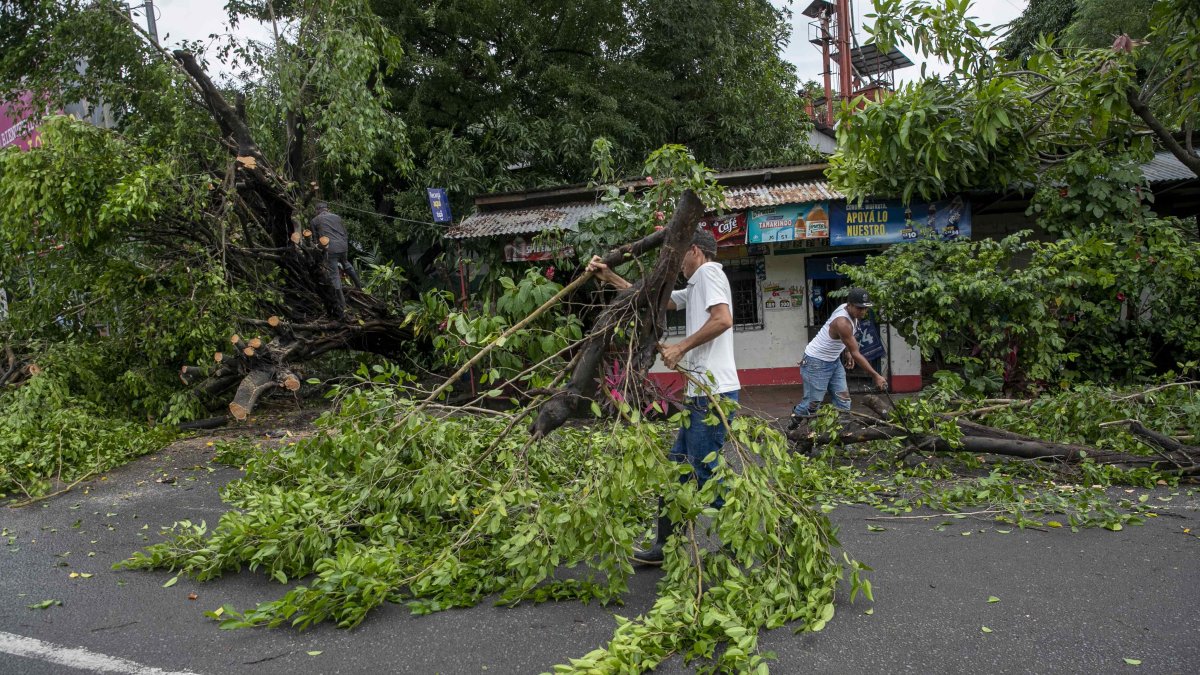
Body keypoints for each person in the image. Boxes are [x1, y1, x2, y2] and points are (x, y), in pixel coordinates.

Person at [588, 228, 740, 566]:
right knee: (677, 471)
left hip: (713, 394)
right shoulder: (697, 284)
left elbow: (723, 319)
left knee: (704, 469)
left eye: (682, 253)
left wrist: (681, 347)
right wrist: (610, 275)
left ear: (696, 251)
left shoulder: (710, 273)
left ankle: (737, 540)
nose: (678, 263)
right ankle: (663, 547)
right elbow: (658, 300)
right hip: (700, 394)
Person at [790, 288, 887, 426]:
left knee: (843, 400)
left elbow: (847, 341)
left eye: (865, 308)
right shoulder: (842, 322)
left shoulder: (848, 311)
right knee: (812, 405)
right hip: (816, 362)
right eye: (860, 308)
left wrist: (846, 351)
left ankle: (841, 435)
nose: (863, 312)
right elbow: (856, 353)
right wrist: (876, 375)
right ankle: (792, 427)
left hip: (833, 361)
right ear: (850, 305)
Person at [310, 201, 361, 318]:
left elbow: (314, 239)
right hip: (343, 246)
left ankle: (343, 306)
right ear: (327, 209)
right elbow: (345, 232)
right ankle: (359, 287)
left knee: (334, 276)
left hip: (330, 249)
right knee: (346, 264)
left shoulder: (314, 220)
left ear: (317, 210)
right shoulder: (337, 217)